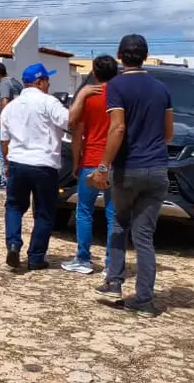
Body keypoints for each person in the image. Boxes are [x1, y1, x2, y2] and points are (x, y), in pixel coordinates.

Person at [92, 35, 173, 318]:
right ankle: (145, 300)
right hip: (158, 169)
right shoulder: (162, 89)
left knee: (118, 223)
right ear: (146, 56)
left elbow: (117, 129)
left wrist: (103, 166)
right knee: (144, 237)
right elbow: (168, 134)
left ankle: (114, 282)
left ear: (119, 55)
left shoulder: (116, 86)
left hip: (129, 168)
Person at [0, 63, 93, 271]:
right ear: (40, 82)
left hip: (18, 162)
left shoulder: (11, 107)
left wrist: (7, 162)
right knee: (44, 212)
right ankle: (36, 256)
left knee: (14, 207)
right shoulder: (49, 102)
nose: (49, 85)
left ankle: (13, 243)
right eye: (47, 81)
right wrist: (83, 95)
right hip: (44, 164)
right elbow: (69, 120)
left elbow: (4, 141)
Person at [62, 55, 119, 276]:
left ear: (94, 73)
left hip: (91, 160)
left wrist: (76, 162)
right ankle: (111, 263)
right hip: (114, 162)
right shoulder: (121, 96)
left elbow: (76, 130)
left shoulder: (89, 97)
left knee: (84, 210)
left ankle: (84, 259)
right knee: (113, 214)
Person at [0, 63, 22, 190]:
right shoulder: (14, 82)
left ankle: (5, 180)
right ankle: (6, 178)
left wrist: (3, 121)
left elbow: (5, 100)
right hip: (7, 122)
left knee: (3, 151)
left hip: (1, 123)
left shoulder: (5, 83)